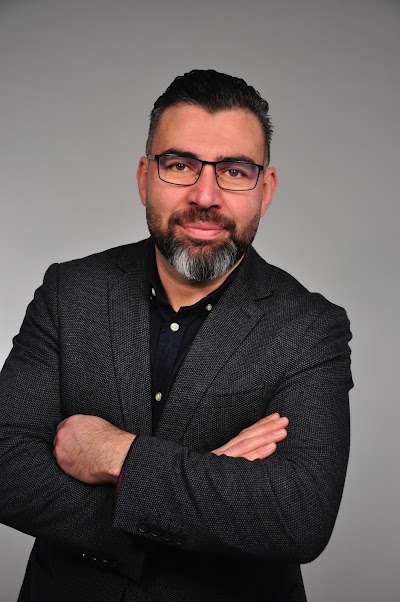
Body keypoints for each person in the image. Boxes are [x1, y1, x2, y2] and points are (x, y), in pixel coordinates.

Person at [0, 69, 353, 602]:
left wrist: (117, 453)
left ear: (265, 191)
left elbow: (298, 515)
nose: (205, 195)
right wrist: (206, 492)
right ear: (145, 176)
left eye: (234, 170)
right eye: (180, 165)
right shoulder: (68, 292)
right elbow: (6, 466)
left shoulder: (309, 328)